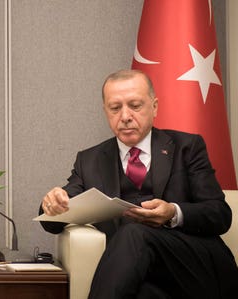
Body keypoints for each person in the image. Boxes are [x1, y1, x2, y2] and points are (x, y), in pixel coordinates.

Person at [39, 69, 238, 299]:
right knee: (143, 293)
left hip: (194, 268)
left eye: (135, 105)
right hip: (138, 275)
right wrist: (52, 204)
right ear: (105, 111)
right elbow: (56, 218)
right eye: (115, 108)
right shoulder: (89, 160)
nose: (125, 116)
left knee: (135, 233)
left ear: (154, 107)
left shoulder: (187, 147)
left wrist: (173, 213)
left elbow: (220, 214)